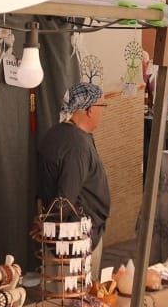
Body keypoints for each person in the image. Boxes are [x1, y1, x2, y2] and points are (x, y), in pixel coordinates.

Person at [39, 81, 115, 249]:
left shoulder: (58, 133)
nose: (102, 113)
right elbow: (65, 199)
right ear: (90, 110)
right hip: (73, 240)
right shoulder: (76, 145)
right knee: (77, 275)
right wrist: (53, 233)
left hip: (73, 235)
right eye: (102, 106)